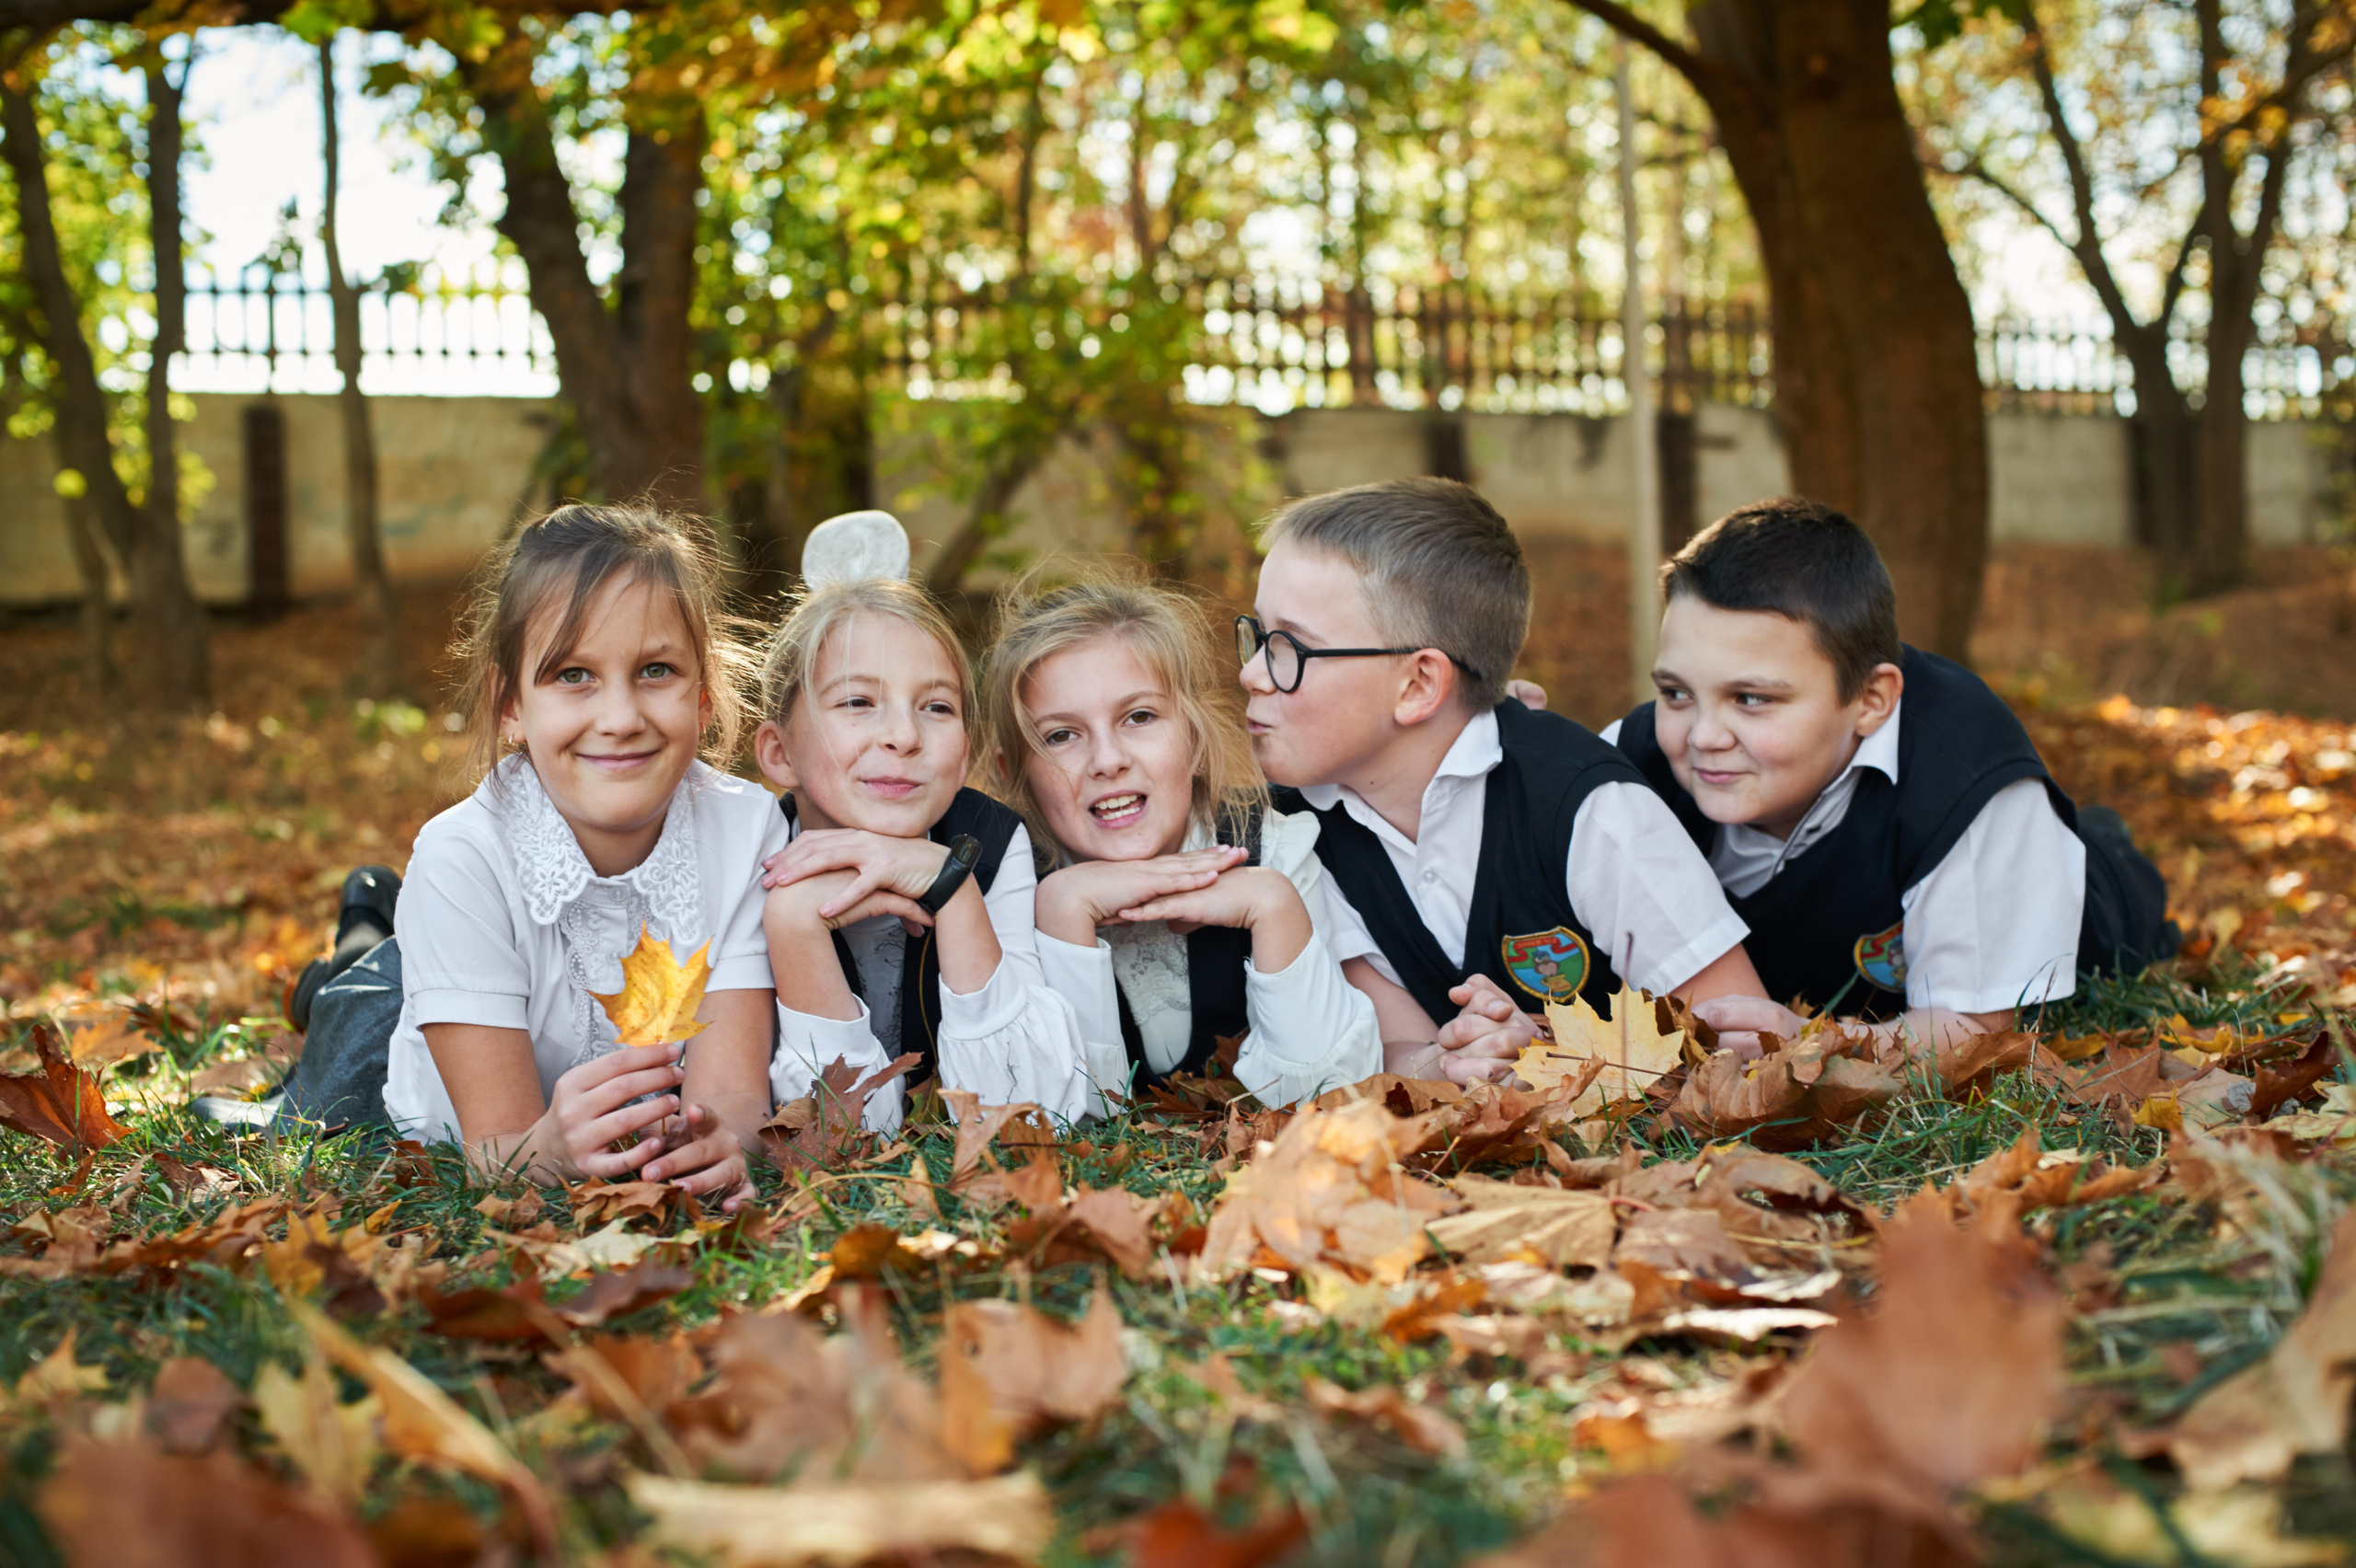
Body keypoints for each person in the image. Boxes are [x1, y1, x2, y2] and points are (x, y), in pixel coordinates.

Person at [1607, 497, 2176, 1056]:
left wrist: (1811, 1045)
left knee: (2108, 862)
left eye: (1751, 698)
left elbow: (1975, 1028)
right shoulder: (1628, 764)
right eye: (1676, 692)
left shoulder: (1971, 788)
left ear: (1871, 700)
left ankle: (2106, 841)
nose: (1704, 735)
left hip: (2091, 902)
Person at [1242, 478, 1765, 1085]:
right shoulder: (1298, 826)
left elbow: (1741, 1038)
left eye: (1289, 647)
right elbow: (1392, 1046)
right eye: (1257, 637)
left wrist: (1553, 1059)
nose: (1252, 673)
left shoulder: (1585, 809)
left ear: (1417, 686)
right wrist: (1462, 1062)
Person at [367, 503, 781, 1209]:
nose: (620, 719)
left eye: (656, 670)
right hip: (421, 1025)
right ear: (510, 706)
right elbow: (494, 1149)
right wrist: (551, 1151)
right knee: (352, 1023)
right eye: (573, 676)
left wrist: (722, 1147)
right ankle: (360, 933)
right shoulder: (461, 857)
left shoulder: (746, 829)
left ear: (705, 696)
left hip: (469, 959)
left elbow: (734, 1098)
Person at [980, 570, 1382, 1113]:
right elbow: (1059, 1122)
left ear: (1193, 737)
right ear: (1015, 771)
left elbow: (1336, 1100)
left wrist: (1272, 904)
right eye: (1061, 736)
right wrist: (1063, 911)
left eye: (1139, 717)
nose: (1107, 760)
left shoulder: (1277, 845)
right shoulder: (1006, 889)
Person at [753, 576, 1088, 1130]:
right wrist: (794, 924)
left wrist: (949, 883)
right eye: (858, 701)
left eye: (936, 707)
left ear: (964, 758)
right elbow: (833, 1137)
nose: (904, 735)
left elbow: (1031, 1113)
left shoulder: (990, 842)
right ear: (780, 752)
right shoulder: (747, 857)